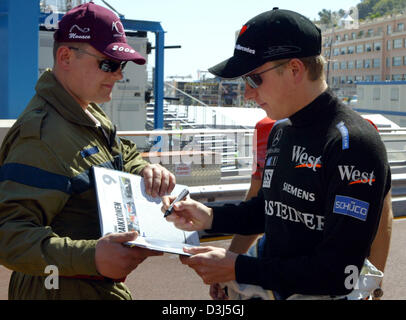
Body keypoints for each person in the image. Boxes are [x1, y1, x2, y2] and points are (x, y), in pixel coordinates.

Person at [163, 8, 391, 299]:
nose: (247, 93)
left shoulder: (353, 143)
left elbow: (337, 274)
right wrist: (209, 216)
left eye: (254, 79)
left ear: (295, 69)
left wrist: (237, 269)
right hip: (275, 286)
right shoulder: (281, 130)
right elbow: (269, 210)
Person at [0, 2, 175, 300]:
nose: (119, 75)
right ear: (65, 56)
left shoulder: (87, 113)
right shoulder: (41, 137)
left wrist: (144, 170)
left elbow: (121, 152)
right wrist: (91, 256)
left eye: (122, 65)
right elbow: (9, 236)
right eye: (108, 64)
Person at [210, 116, 275, 300]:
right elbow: (255, 206)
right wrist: (227, 268)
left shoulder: (351, 132)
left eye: (256, 84)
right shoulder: (265, 128)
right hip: (273, 271)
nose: (248, 93)